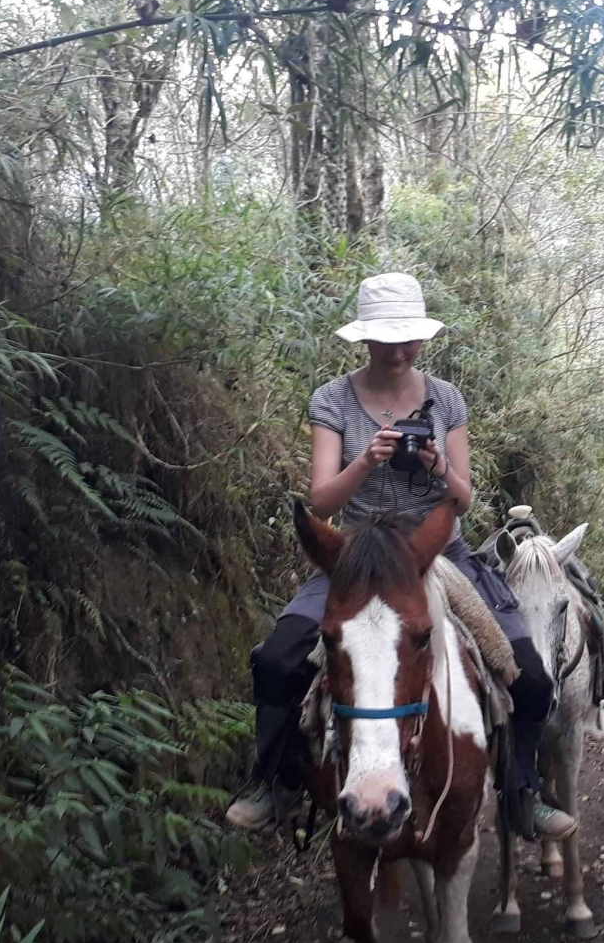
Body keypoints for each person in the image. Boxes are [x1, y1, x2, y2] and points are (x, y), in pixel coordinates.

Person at [226, 272, 575, 843]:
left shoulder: (447, 398)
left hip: (437, 549)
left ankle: (521, 790)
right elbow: (322, 501)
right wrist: (366, 460)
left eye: (408, 339)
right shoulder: (332, 399)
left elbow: (463, 498)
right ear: (365, 338)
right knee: (277, 662)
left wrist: (439, 466)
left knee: (528, 672)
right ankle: (275, 781)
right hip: (357, 554)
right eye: (386, 339)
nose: (398, 350)